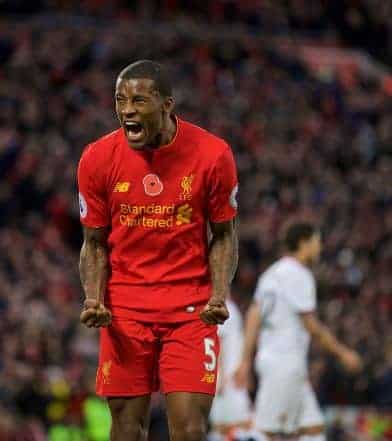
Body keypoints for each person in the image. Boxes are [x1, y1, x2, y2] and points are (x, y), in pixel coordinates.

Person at [77, 60, 239, 441]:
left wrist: (218, 294)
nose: (127, 109)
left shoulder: (213, 155)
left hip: (190, 310)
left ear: (167, 104)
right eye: (120, 100)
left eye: (138, 100)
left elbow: (225, 234)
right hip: (125, 311)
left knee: (189, 428)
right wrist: (92, 298)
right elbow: (94, 242)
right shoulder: (97, 159)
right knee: (127, 429)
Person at [233, 221, 362, 441]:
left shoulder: (271, 274)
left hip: (277, 361)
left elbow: (253, 317)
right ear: (304, 243)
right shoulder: (300, 275)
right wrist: (343, 353)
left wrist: (245, 361)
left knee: (313, 429)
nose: (319, 247)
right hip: (285, 363)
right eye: (317, 242)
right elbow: (312, 326)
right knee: (266, 432)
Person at [208, 298, 254, 441]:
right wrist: (219, 377)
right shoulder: (223, 307)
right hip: (226, 377)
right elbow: (218, 342)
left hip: (231, 376)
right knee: (223, 426)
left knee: (239, 424)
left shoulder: (228, 307)